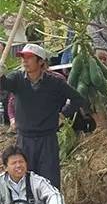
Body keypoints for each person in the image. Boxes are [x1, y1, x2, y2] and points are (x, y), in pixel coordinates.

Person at [0, 44, 86, 188]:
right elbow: (4, 85)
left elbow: (78, 99)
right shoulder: (17, 79)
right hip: (24, 140)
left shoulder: (55, 82)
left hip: (47, 140)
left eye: (29, 58)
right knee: (24, 181)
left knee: (49, 181)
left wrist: (63, 115)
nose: (24, 61)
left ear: (41, 61)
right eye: (23, 58)